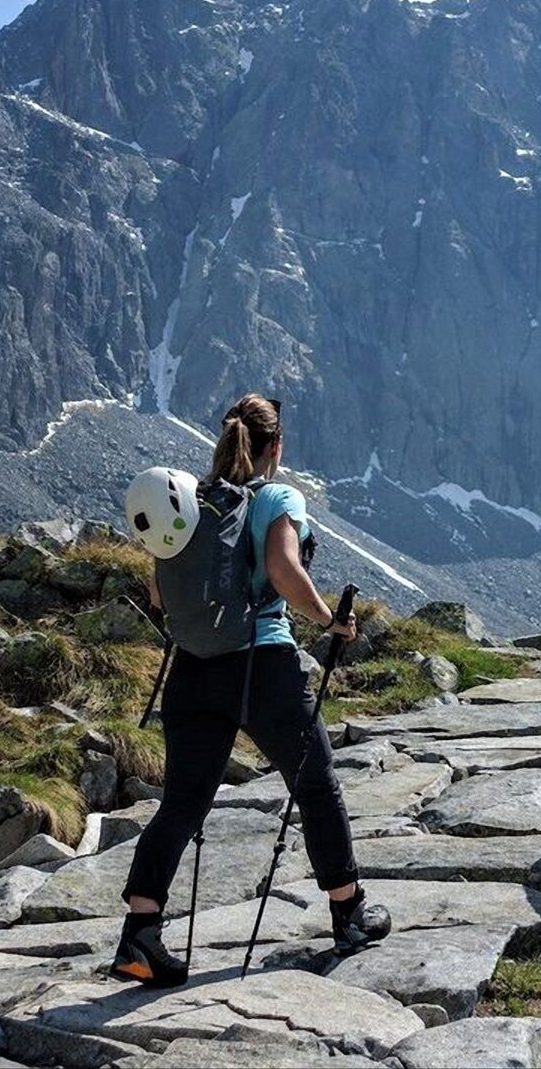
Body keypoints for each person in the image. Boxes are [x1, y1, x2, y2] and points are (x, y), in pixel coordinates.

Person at [111, 393, 391, 987]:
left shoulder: (191, 502)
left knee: (183, 804)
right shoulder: (277, 496)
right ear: (276, 446)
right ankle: (350, 914)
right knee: (315, 785)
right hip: (261, 666)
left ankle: (139, 935)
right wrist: (329, 621)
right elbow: (286, 570)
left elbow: (161, 597)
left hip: (191, 671)